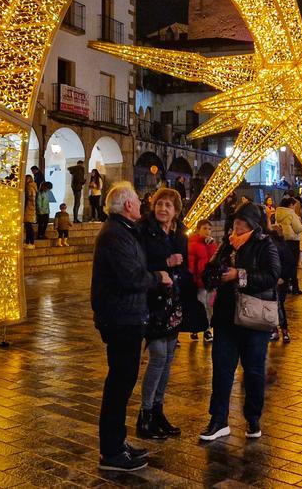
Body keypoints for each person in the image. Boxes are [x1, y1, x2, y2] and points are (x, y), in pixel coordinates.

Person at [91, 182, 172, 472]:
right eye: (138, 200)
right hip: (120, 318)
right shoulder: (115, 235)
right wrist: (158, 277)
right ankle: (111, 453)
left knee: (122, 384)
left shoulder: (124, 230)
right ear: (127, 205)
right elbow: (130, 277)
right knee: (119, 385)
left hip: (127, 317)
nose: (142, 204)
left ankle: (117, 442)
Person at [200, 200, 281, 441]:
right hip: (226, 317)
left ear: (254, 225)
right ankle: (218, 420)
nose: (237, 227)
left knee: (254, 371)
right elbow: (209, 271)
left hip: (254, 319)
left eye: (243, 223)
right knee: (222, 370)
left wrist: (240, 276)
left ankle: (253, 419)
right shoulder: (227, 244)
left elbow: (273, 274)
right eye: (235, 222)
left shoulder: (264, 244)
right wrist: (215, 274)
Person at [135, 188, 189, 441]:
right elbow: (140, 264)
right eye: (159, 204)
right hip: (153, 301)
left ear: (176, 210)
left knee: (168, 358)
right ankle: (145, 415)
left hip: (173, 301)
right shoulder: (144, 231)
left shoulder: (179, 233)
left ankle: (158, 411)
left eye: (168, 205)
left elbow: (185, 264)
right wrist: (166, 264)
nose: (163, 209)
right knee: (157, 357)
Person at [188, 220, 219, 343]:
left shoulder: (212, 244)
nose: (207, 231)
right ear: (198, 229)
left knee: (209, 307)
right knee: (200, 305)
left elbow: (214, 261)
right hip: (199, 282)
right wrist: (193, 280)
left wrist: (211, 246)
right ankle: (196, 328)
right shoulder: (193, 245)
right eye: (205, 228)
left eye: (209, 229)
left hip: (210, 282)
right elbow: (191, 265)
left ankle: (207, 329)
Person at [275, 197, 302, 297]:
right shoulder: (292, 214)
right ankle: (295, 288)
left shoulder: (278, 214)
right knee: (293, 265)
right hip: (293, 242)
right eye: (294, 205)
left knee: (284, 264)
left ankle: (285, 285)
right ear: (290, 205)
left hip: (282, 240)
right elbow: (297, 229)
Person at [23, 174, 38, 248]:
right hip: (30, 209)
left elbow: (29, 197)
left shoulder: (29, 187)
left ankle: (31, 243)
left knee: (29, 227)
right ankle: (27, 242)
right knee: (28, 226)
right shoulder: (33, 186)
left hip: (28, 209)